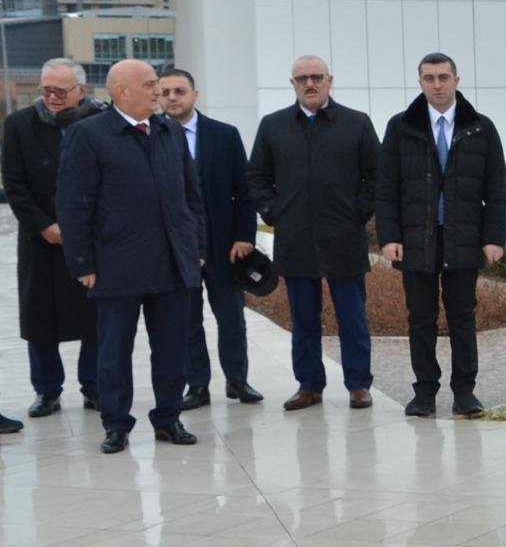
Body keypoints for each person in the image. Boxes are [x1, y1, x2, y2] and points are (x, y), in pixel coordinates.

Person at [52, 58, 205, 454]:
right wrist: (82, 262)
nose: (159, 91)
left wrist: (195, 248)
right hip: (115, 265)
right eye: (150, 84)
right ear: (121, 91)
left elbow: (191, 197)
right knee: (114, 352)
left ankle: (168, 418)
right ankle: (116, 424)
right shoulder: (88, 134)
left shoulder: (169, 130)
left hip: (172, 263)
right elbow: (73, 204)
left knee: (171, 349)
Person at [378, 51, 506, 418]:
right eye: (429, 78)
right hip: (416, 240)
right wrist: (389, 236)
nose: (437, 85)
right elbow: (386, 187)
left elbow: (496, 187)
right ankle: (424, 392)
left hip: (462, 237)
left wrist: (494, 237)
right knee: (420, 318)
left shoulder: (480, 127)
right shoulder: (400, 127)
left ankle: (465, 392)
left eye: (443, 77)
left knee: (462, 317)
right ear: (420, 82)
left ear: (456, 80)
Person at [247, 54, 379, 410]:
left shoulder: (356, 123)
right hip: (295, 239)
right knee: (304, 319)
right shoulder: (273, 126)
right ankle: (309, 385)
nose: (310, 83)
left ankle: (358, 384)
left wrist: (358, 213)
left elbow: (375, 174)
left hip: (344, 237)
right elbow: (256, 176)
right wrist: (274, 212)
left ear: (329, 80)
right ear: (292, 84)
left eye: (316, 77)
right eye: (302, 78)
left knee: (352, 317)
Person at [156, 66, 264, 407]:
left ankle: (238, 381)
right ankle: (197, 385)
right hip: (177, 246)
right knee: (187, 320)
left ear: (195, 95)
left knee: (231, 317)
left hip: (224, 245)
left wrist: (245, 235)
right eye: (165, 92)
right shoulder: (150, 135)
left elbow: (243, 190)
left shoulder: (224, 135)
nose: (172, 97)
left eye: (179, 91)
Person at [3, 57, 103, 419]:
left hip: (91, 238)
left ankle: (95, 387)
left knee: (95, 317)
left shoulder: (100, 121)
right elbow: (14, 185)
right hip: (41, 240)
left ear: (81, 90)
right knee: (40, 319)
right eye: (46, 90)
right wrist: (44, 225)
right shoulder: (20, 124)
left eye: (60, 90)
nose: (52, 97)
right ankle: (47, 390)